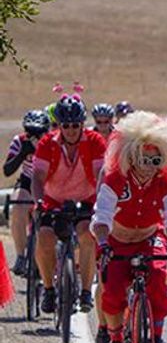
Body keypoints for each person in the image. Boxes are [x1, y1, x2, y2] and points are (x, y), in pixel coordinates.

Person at [91, 112, 167, 343]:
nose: (149, 166)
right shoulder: (116, 178)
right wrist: (104, 243)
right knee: (113, 289)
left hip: (149, 238)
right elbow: (102, 214)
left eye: (156, 160)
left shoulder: (166, 181)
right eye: (144, 159)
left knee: (158, 279)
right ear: (131, 156)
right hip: (117, 241)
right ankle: (116, 340)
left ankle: (157, 336)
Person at [31, 95, 107, 314]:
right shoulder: (47, 143)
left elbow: (100, 173)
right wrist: (38, 202)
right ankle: (48, 289)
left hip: (86, 198)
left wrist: (101, 202)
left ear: (82, 124)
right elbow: (38, 176)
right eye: (66, 125)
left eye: (76, 125)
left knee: (86, 235)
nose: (71, 130)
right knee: (44, 237)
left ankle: (84, 292)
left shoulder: (94, 141)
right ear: (60, 125)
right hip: (54, 199)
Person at [5, 110, 50, 276]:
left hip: (49, 183)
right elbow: (7, 170)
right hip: (27, 180)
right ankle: (21, 256)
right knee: (17, 206)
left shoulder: (53, 141)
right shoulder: (19, 141)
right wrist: (22, 153)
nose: (35, 137)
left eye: (39, 133)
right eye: (30, 132)